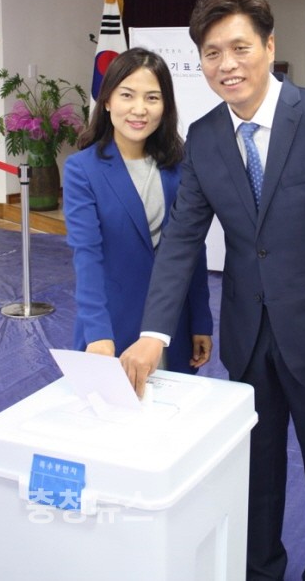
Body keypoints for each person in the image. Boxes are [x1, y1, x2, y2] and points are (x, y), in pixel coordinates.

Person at [120, 0, 305, 581]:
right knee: (255, 469)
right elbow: (182, 240)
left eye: (240, 48)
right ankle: (261, 570)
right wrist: (154, 333)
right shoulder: (205, 137)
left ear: (268, 46)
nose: (227, 65)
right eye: (212, 53)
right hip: (248, 333)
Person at [63, 47, 213, 373]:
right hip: (112, 325)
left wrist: (201, 318)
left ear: (165, 105)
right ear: (107, 101)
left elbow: (192, 249)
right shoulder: (82, 170)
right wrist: (98, 332)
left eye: (152, 98)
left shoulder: (179, 166)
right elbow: (87, 255)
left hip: (173, 326)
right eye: (127, 95)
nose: (139, 109)